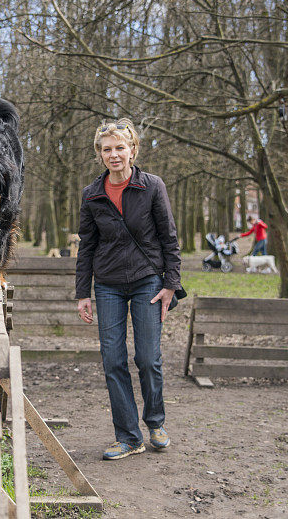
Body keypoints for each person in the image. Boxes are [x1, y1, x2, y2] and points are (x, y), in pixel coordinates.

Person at [75, 119, 182, 461]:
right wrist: (83, 293)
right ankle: (128, 436)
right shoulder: (92, 194)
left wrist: (170, 285)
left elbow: (169, 238)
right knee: (113, 360)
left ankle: (155, 422)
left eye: (120, 147)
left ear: (133, 150)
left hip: (147, 282)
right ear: (100, 155)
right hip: (107, 285)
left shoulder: (151, 186)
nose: (114, 154)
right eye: (107, 149)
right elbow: (86, 248)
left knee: (147, 358)